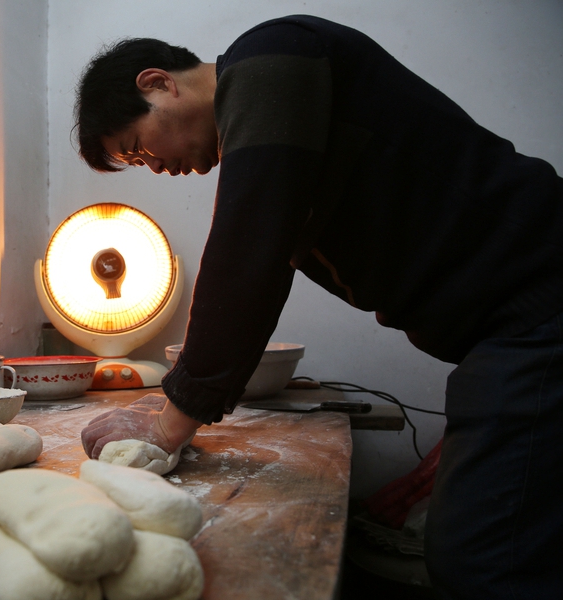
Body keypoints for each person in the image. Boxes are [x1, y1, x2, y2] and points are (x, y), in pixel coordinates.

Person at [74, 14, 563, 600]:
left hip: (540, 303)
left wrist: (167, 424)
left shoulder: (270, 59)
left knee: (479, 560)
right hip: (512, 328)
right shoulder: (284, 136)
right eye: (136, 165)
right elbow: (262, 251)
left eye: (136, 148)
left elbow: (248, 249)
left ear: (157, 83)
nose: (153, 165)